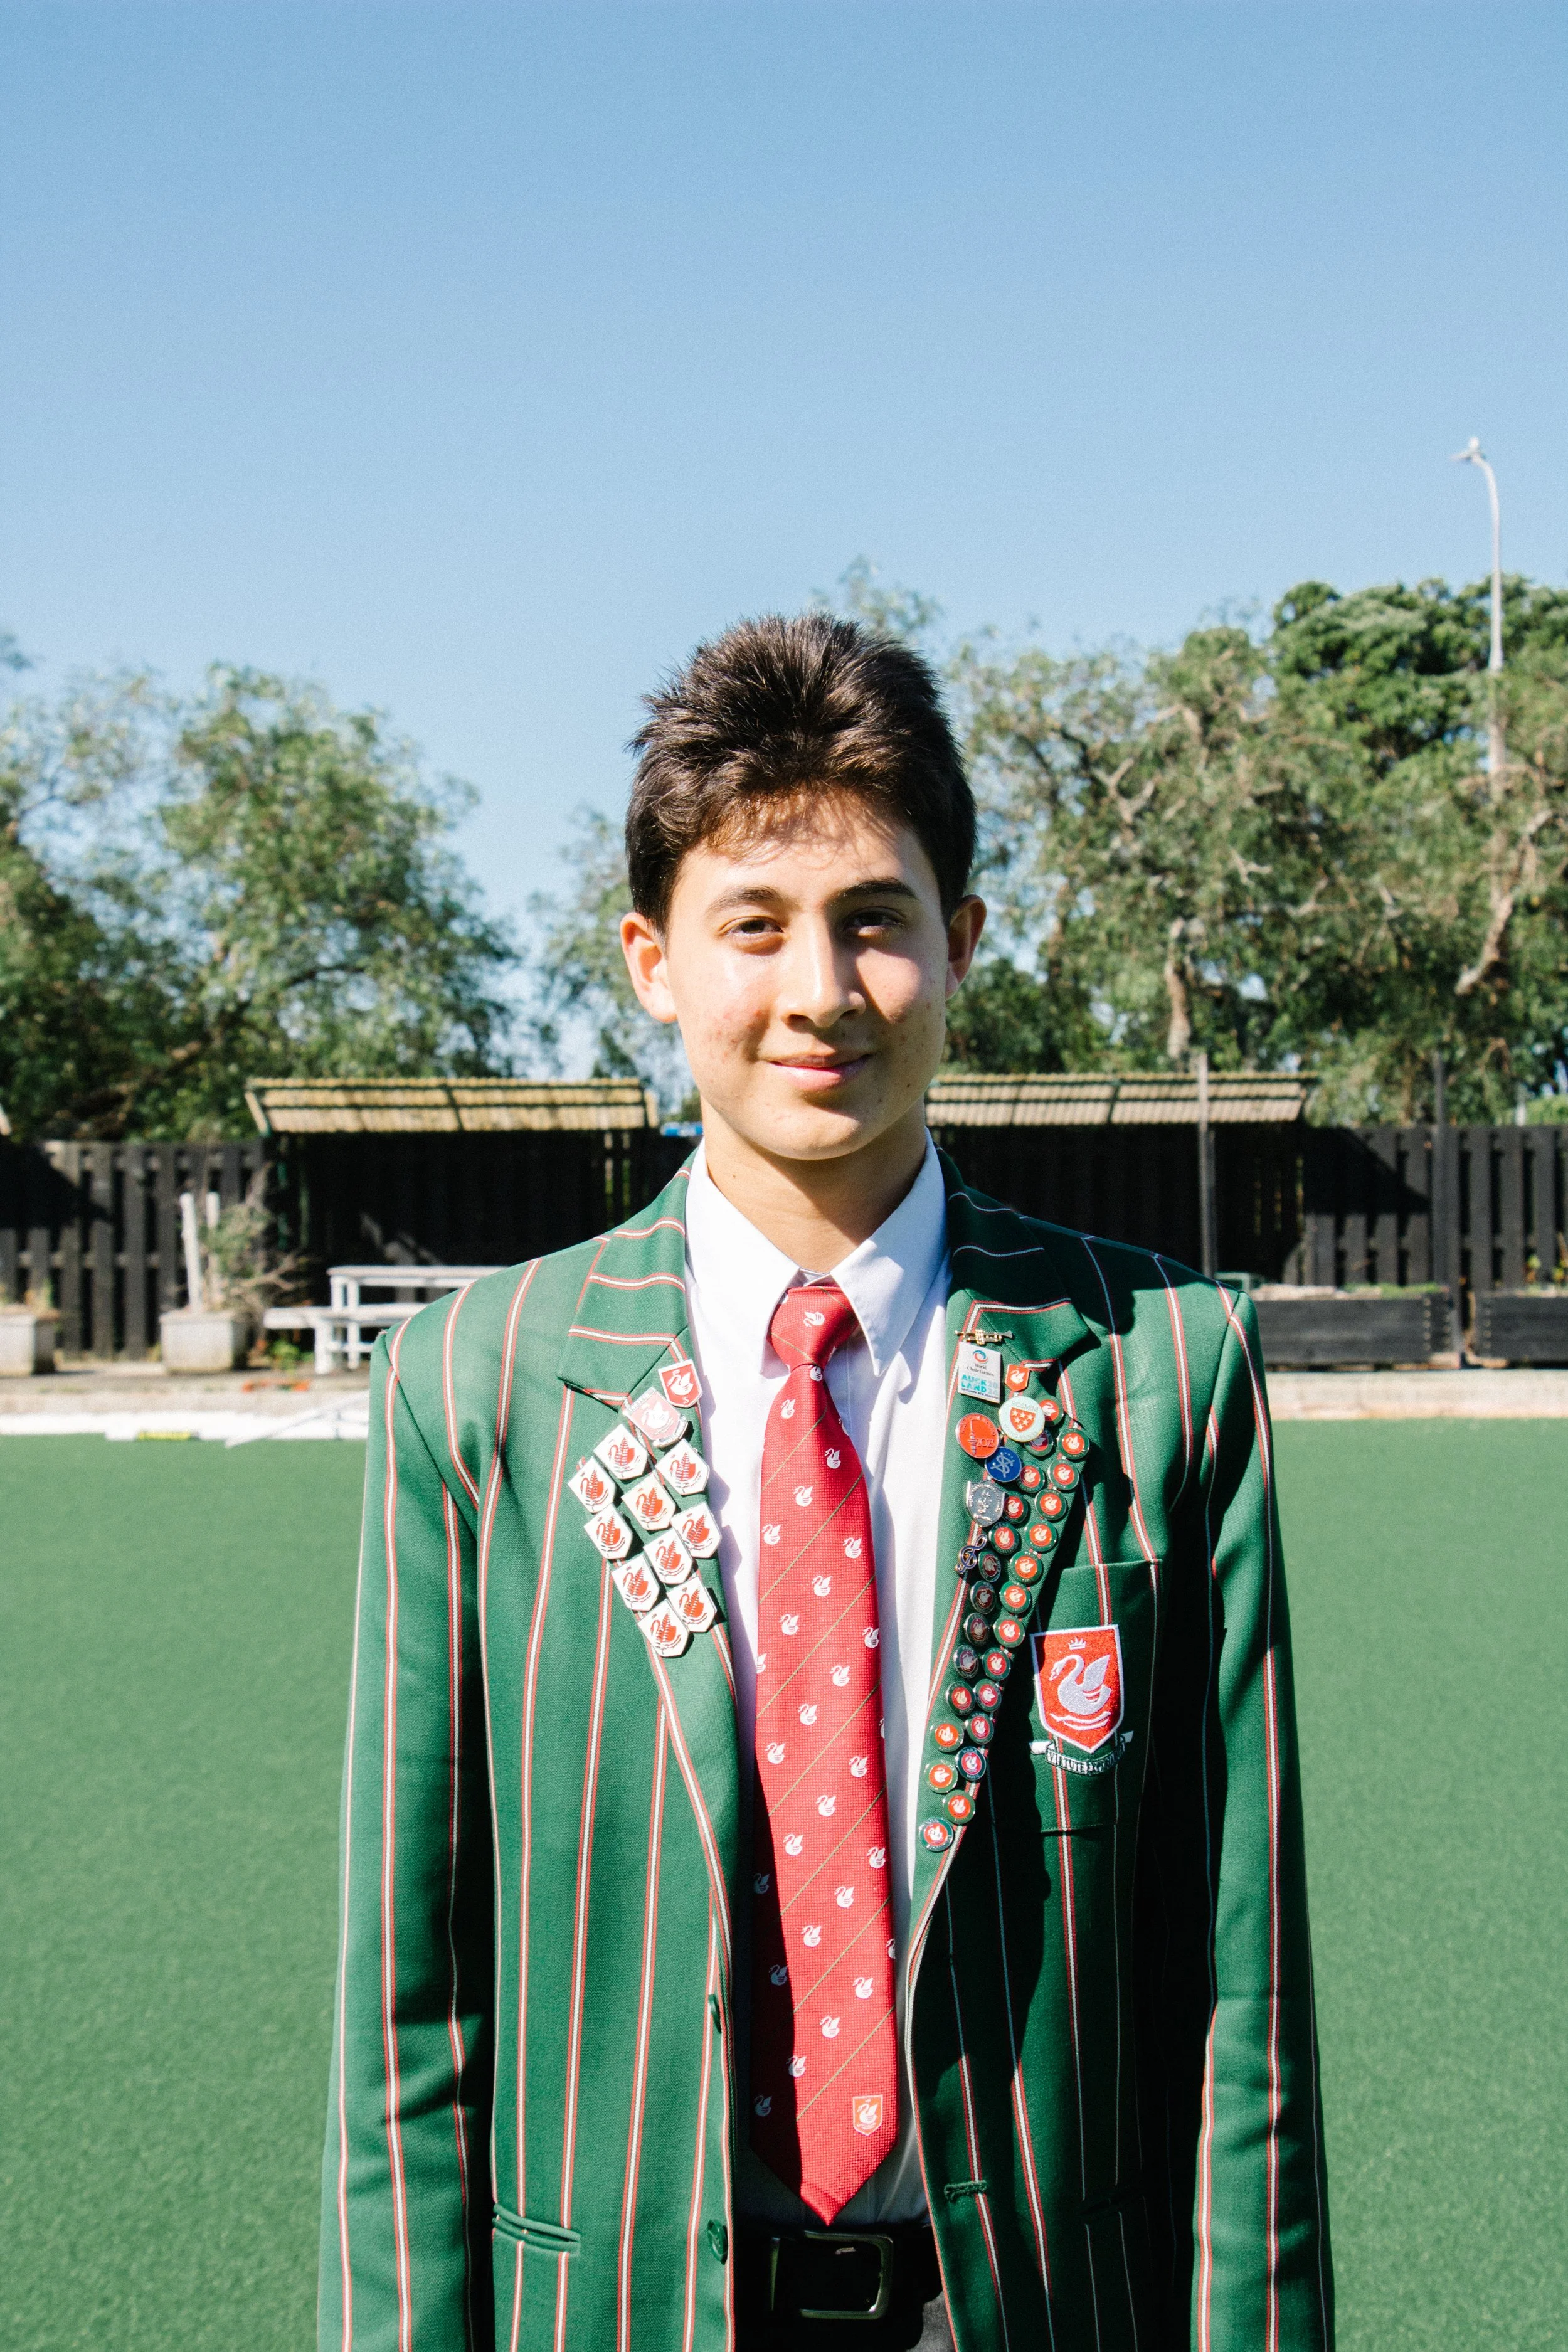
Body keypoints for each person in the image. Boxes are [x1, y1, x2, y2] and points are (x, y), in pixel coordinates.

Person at [320, 613, 1333, 2352]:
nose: (817, 989)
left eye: (873, 921)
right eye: (752, 926)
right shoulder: (480, 1388)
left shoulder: (1157, 1368)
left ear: (961, 939)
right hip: (628, 2306)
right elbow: (409, 2007)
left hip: (1030, 2300)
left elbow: (1240, 1991)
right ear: (650, 958)